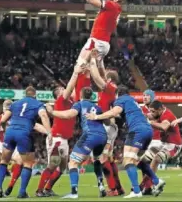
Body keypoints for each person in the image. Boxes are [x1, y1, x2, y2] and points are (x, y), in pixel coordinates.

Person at [86, 85, 165, 198]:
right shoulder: (132, 100)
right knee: (138, 161)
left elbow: (114, 112)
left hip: (137, 131)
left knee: (127, 161)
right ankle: (157, 181)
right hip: (148, 131)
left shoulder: (121, 99)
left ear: (117, 94)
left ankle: (136, 191)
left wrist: (96, 117)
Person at [45, 87, 108, 199]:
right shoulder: (97, 107)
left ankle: (74, 192)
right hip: (103, 136)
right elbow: (107, 120)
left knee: (73, 163)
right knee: (96, 159)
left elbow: (68, 115)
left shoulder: (79, 104)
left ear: (81, 95)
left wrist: (51, 112)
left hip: (90, 135)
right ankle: (101, 186)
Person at [35, 65, 83, 197]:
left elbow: (76, 90)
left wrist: (83, 74)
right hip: (57, 138)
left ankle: (48, 189)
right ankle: (39, 190)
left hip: (64, 140)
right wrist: (75, 73)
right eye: (61, 89)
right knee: (53, 164)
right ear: (58, 94)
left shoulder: (70, 101)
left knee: (62, 168)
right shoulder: (61, 100)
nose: (64, 89)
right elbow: (70, 89)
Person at [0, 86, 52, 198]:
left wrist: (5, 129)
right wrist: (49, 132)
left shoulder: (15, 103)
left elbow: (2, 120)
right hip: (24, 133)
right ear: (35, 95)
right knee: (28, 163)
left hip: (10, 132)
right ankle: (22, 192)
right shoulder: (38, 104)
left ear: (24, 94)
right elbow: (44, 116)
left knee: (4, 160)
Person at [69, 0, 125, 67]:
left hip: (97, 40)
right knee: (94, 71)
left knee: (79, 67)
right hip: (103, 43)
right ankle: (107, 82)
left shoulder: (112, 5)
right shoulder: (116, 9)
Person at [88, 50, 124, 196]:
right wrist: (99, 60)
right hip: (111, 125)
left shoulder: (109, 88)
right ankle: (119, 188)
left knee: (103, 158)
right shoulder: (112, 89)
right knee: (109, 158)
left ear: (109, 80)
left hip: (106, 125)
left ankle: (113, 189)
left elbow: (96, 76)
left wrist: (91, 61)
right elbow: (102, 74)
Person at [138, 89, 162, 195]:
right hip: (144, 139)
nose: (144, 97)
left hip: (157, 139)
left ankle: (147, 186)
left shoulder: (157, 108)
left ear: (152, 97)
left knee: (145, 161)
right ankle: (149, 186)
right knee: (143, 163)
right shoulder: (140, 109)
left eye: (147, 95)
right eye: (143, 95)